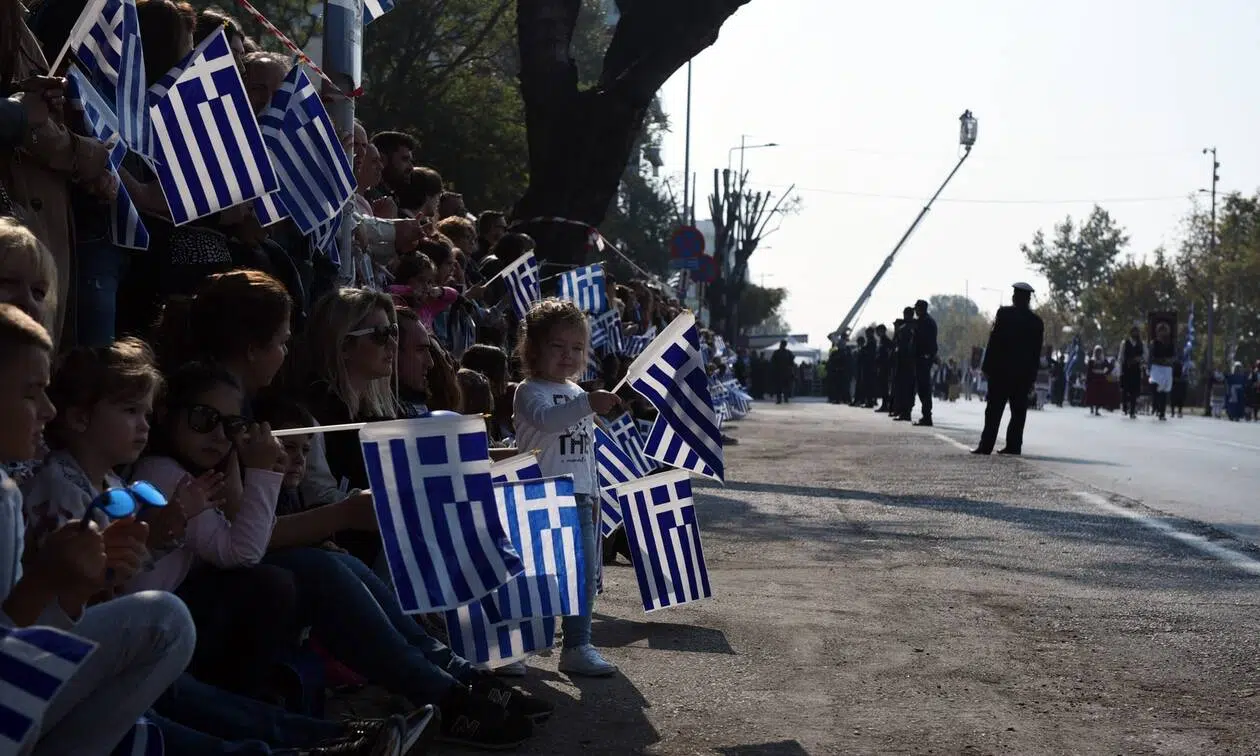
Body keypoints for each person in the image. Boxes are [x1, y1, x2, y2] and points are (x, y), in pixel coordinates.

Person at [0, 303, 195, 754]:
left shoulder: (110, 485)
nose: (48, 411)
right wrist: (59, 584)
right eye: (31, 394)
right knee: (166, 624)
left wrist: (138, 553)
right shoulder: (47, 490)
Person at [512, 298, 623, 677]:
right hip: (539, 497)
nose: (567, 355)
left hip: (579, 497)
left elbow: (586, 452)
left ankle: (577, 644)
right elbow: (547, 421)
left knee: (579, 577)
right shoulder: (528, 391)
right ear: (533, 348)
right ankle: (518, 647)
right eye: (557, 346)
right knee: (535, 575)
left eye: (577, 348)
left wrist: (594, 495)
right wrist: (588, 403)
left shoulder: (578, 394)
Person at [973, 283, 1044, 455]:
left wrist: (986, 367)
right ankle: (1014, 446)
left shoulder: (1004, 314)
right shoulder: (1036, 322)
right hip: (1023, 375)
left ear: (1015, 297)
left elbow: (994, 342)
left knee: (993, 410)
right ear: (1028, 299)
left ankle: (986, 445)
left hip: (1001, 372)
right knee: (1018, 412)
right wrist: (1032, 377)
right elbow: (1036, 352)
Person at [913, 300, 937, 425]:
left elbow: (925, 341)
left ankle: (927, 416)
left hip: (924, 358)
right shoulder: (924, 321)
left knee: (924, 388)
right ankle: (926, 415)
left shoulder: (925, 322)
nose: (915, 311)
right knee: (923, 388)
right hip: (923, 358)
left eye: (916, 308)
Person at [1148, 320, 1175, 421]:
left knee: (1163, 391)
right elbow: (1151, 356)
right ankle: (1155, 405)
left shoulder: (1170, 343)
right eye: (1161, 331)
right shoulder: (1154, 343)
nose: (1163, 333)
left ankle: (1162, 412)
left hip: (1166, 369)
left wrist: (1169, 360)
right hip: (1156, 368)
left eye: (1165, 330)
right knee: (1155, 388)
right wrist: (1149, 366)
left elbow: (1173, 356)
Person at [1120, 326, 1144, 419]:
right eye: (1134, 332)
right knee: (1126, 390)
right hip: (1126, 368)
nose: (1135, 334)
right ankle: (1125, 406)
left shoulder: (1141, 343)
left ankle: (1132, 410)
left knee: (1134, 391)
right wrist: (1121, 368)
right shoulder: (1125, 343)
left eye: (1137, 332)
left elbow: (1144, 355)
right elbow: (1121, 356)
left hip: (1136, 369)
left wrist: (1140, 360)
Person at [1083, 346, 1113, 416]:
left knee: (1099, 395)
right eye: (1097, 351)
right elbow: (1089, 371)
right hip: (1093, 379)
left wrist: (1105, 373)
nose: (1098, 353)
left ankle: (1097, 409)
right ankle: (1091, 407)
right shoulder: (1092, 360)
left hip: (1100, 378)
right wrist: (1088, 380)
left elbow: (1110, 367)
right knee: (1092, 394)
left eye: (1099, 352)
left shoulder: (1103, 361)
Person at [770, 340, 794, 404]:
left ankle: (782, 398)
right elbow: (772, 362)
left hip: (783, 372)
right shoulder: (785, 352)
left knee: (783, 387)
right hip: (780, 372)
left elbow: (792, 362)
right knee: (781, 387)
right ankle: (781, 398)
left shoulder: (785, 352)